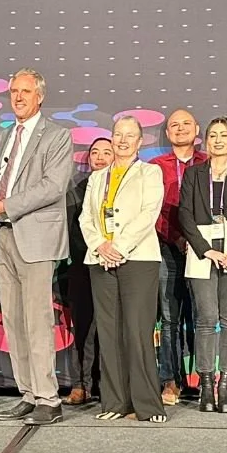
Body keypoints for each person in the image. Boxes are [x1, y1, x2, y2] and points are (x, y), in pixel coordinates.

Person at [0, 68, 74, 426]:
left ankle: (49, 398)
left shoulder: (57, 136)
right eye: (13, 91)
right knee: (13, 321)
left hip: (35, 238)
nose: (18, 97)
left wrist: (5, 205)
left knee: (38, 321)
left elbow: (52, 187)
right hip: (4, 235)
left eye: (25, 91)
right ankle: (28, 393)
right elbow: (9, 182)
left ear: (40, 96)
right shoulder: (5, 135)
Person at [79, 117, 167, 423]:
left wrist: (119, 246)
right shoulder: (97, 178)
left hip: (138, 258)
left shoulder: (150, 172)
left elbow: (148, 214)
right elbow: (86, 218)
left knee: (137, 331)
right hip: (100, 259)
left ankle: (147, 405)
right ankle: (115, 402)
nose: (123, 140)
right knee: (109, 332)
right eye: (118, 135)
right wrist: (100, 245)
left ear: (140, 141)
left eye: (130, 135)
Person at [179, 117, 227, 413]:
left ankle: (226, 383)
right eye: (213, 135)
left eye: (224, 135)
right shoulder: (194, 174)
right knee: (205, 318)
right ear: (206, 141)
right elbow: (185, 214)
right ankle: (206, 385)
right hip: (203, 251)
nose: (218, 140)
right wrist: (205, 249)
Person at [150, 108, 207, 405]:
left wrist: (196, 241)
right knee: (170, 318)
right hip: (166, 247)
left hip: (204, 250)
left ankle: (203, 379)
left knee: (202, 317)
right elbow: (153, 209)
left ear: (197, 129)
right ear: (168, 133)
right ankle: (170, 380)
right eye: (175, 125)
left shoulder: (210, 163)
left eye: (187, 123)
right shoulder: (154, 167)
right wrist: (178, 238)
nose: (181, 129)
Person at [62, 137, 113, 405]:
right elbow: (72, 232)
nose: (101, 157)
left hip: (115, 265)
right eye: (96, 152)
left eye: (108, 152)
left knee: (109, 329)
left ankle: (108, 384)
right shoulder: (77, 191)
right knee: (82, 329)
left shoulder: (123, 189)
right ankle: (80, 384)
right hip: (82, 267)